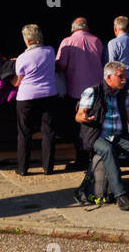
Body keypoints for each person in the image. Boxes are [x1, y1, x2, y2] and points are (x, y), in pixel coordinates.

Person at [75, 61, 129, 210]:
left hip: (118, 136)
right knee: (108, 150)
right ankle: (120, 195)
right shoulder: (92, 91)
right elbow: (79, 115)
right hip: (97, 136)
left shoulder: (123, 93)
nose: (124, 79)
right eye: (120, 76)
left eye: (124, 76)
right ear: (108, 78)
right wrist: (84, 117)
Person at [56, 17, 105, 168]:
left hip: (76, 91)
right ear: (86, 27)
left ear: (73, 28)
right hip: (97, 91)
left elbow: (61, 66)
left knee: (79, 127)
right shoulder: (97, 41)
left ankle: (82, 160)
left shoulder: (67, 41)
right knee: (96, 124)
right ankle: (96, 158)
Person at [13, 24, 58, 177]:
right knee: (48, 132)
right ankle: (48, 168)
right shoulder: (50, 51)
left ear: (27, 39)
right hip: (48, 94)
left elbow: (18, 81)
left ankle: (23, 168)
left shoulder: (21, 58)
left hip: (26, 97)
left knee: (24, 133)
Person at [108, 16, 129, 83]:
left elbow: (112, 64)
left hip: (121, 79)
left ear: (115, 28)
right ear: (128, 28)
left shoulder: (113, 43)